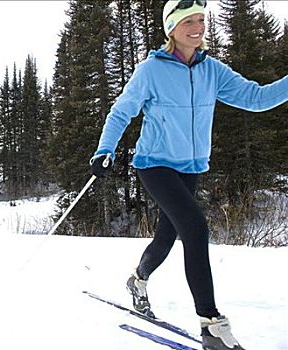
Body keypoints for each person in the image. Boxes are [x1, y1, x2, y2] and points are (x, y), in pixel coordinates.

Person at [90, 0, 288, 349]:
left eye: (201, 20)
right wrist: (104, 149)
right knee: (195, 228)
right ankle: (211, 323)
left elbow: (257, 98)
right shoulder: (151, 70)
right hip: (154, 164)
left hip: (191, 167)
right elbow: (121, 112)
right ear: (171, 28)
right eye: (188, 21)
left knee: (169, 236)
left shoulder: (212, 70)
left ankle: (138, 279)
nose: (197, 27)